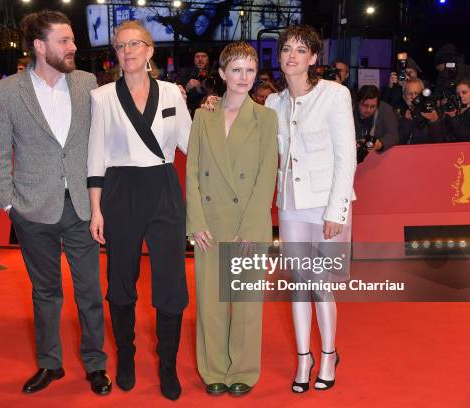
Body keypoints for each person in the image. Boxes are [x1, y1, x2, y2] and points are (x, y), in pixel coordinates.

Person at [0, 10, 111, 396]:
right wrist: (9, 206)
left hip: (80, 208)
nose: (74, 47)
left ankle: (95, 364)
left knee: (89, 291)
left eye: (73, 39)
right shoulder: (8, 91)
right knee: (45, 293)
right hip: (32, 210)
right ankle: (50, 364)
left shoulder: (88, 83)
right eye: (64, 40)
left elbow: (105, 137)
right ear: (40, 47)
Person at [87, 20, 191, 401]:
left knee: (171, 284)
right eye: (120, 46)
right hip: (120, 192)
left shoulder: (171, 94)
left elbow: (191, 145)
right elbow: (95, 156)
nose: (127, 51)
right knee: (120, 282)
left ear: (150, 51)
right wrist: (96, 210)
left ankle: (168, 364)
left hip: (164, 189)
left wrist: (213, 110)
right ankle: (126, 355)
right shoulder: (101, 98)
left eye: (135, 44)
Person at [265, 25, 356, 393]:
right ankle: (305, 357)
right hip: (290, 204)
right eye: (287, 49)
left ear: (314, 58)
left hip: (324, 206)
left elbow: (345, 155)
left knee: (320, 284)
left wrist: (337, 211)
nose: (291, 55)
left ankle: (329, 353)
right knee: (298, 284)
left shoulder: (334, 95)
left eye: (301, 50)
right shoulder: (273, 102)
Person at [186, 42, 278, 396]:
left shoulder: (266, 117)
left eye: (250, 70)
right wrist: (195, 221)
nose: (244, 77)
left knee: (245, 307)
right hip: (210, 223)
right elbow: (192, 171)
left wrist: (253, 228)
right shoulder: (203, 115)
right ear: (222, 73)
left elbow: (266, 174)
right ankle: (212, 370)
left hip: (246, 224)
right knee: (211, 305)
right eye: (236, 70)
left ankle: (243, 370)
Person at [353, 85, 399, 156]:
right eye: (365, 105)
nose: (368, 110)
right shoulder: (348, 110)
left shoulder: (386, 110)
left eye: (372, 106)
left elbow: (393, 136)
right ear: (358, 103)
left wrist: (380, 144)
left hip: (377, 158)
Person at [398, 78, 446, 145]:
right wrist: (406, 121)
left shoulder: (433, 112)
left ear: (423, 95)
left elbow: (440, 143)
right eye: (409, 94)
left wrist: (434, 122)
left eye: (416, 93)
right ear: (404, 96)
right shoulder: (396, 115)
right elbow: (397, 143)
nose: (413, 97)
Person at [444, 78, 470, 142]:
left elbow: (465, 137)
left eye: (464, 92)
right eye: (458, 94)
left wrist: (454, 117)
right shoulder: (456, 108)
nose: (461, 96)